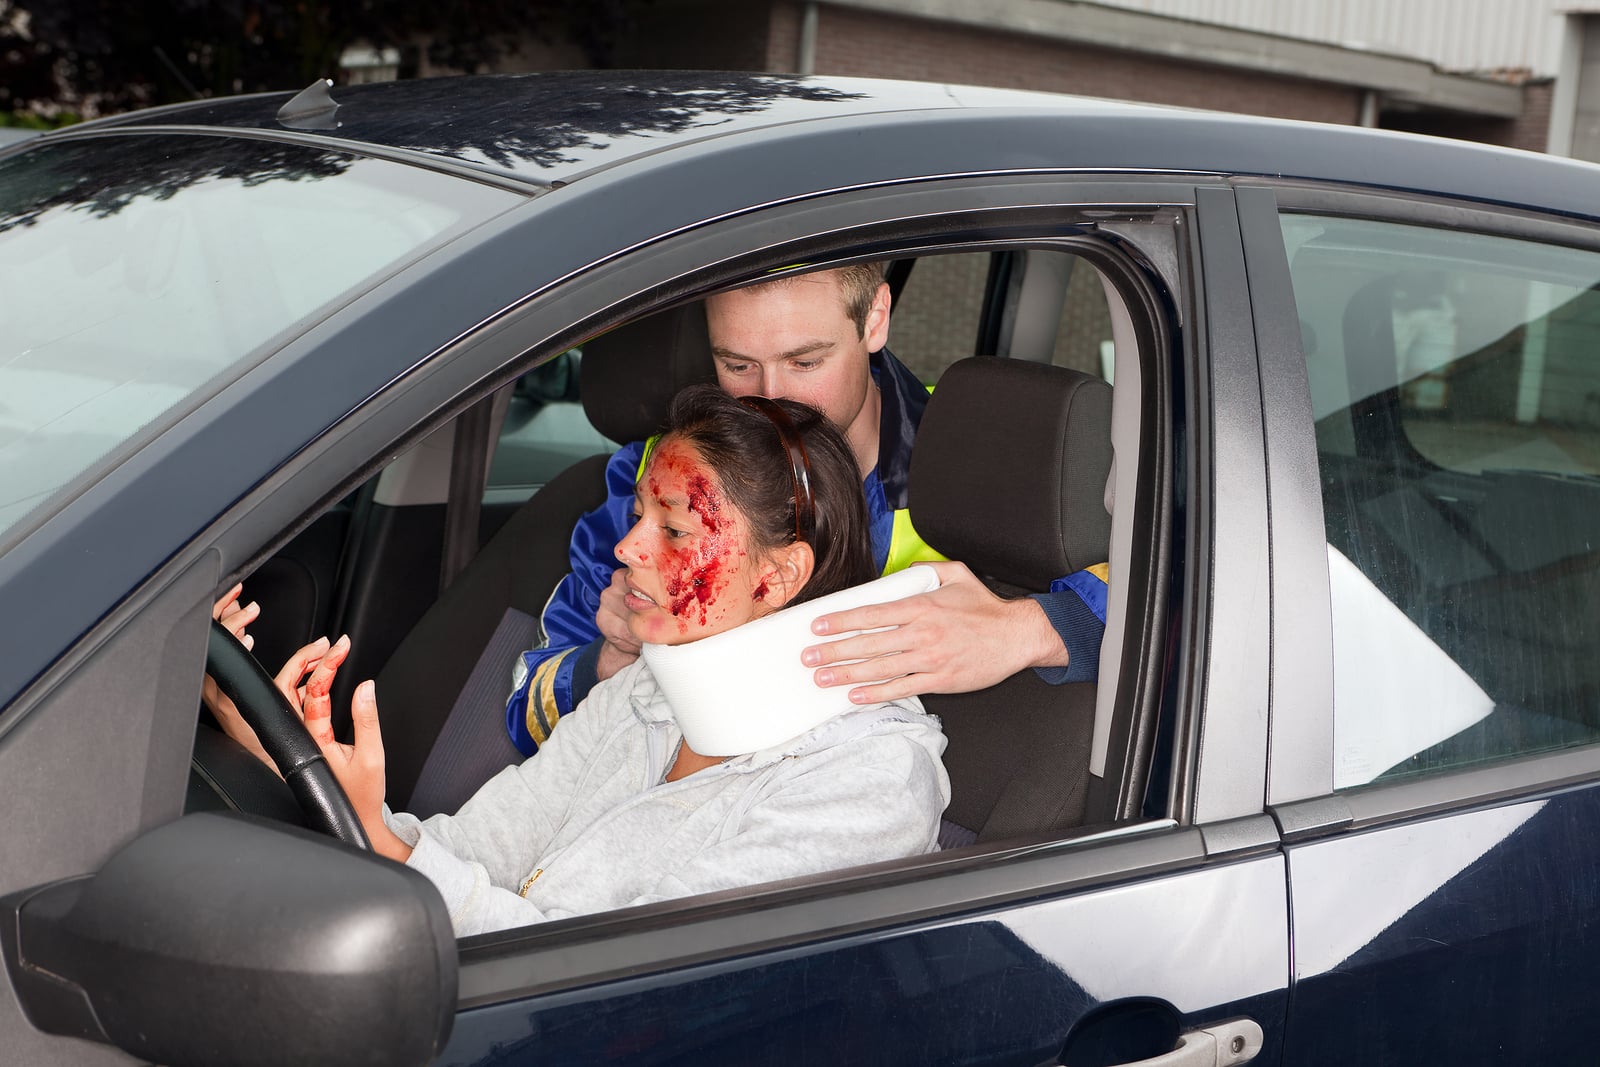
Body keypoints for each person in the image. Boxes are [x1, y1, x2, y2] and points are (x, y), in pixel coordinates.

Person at [210, 386, 949, 937]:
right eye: (636, 518)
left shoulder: (868, 782)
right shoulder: (645, 691)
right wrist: (298, 767)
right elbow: (473, 852)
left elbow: (612, 979)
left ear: (777, 577)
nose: (626, 549)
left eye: (674, 528)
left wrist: (386, 847)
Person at [507, 262, 1109, 755]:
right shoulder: (652, 487)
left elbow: (1181, 597)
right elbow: (526, 712)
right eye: (737, 365)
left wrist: (1032, 629)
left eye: (805, 362)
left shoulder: (981, 467)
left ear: (874, 319)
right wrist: (608, 660)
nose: (769, 399)